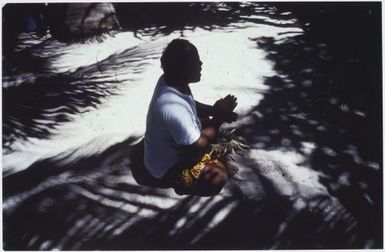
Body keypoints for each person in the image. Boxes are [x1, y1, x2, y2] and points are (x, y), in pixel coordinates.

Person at [144, 39, 238, 196]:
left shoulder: (171, 81)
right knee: (218, 177)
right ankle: (181, 184)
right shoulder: (172, 107)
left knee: (207, 123)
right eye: (196, 61)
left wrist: (214, 109)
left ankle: (216, 158)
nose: (201, 64)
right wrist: (219, 117)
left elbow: (191, 104)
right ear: (183, 68)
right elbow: (197, 147)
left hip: (166, 151)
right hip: (168, 169)